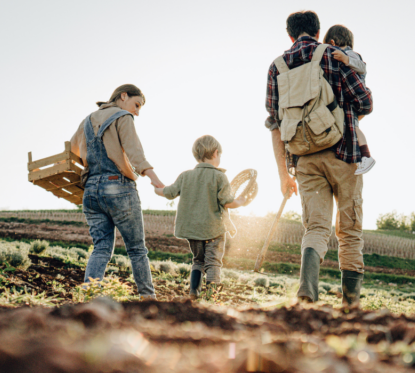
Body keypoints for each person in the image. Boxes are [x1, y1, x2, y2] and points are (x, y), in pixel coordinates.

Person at [264, 10, 373, 306]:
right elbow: (365, 101)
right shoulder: (332, 54)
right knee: (349, 228)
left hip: (304, 160)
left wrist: (284, 175)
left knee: (316, 228)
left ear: (290, 35)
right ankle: (350, 303)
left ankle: (307, 291)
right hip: (344, 152)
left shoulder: (277, 67)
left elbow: (274, 124)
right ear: (318, 31)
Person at [69, 84, 164, 301]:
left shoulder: (87, 120)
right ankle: (148, 299)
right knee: (137, 250)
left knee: (101, 248)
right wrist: (155, 179)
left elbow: (72, 150)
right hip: (118, 188)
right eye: (136, 104)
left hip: (91, 191)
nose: (137, 112)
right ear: (123, 96)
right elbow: (135, 153)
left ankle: (89, 297)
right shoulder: (123, 117)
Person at [155, 135, 247, 298]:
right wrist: (239, 202)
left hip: (193, 230)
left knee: (198, 261)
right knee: (213, 262)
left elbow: (169, 192)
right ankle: (212, 296)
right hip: (214, 230)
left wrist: (157, 189)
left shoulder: (185, 176)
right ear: (215, 153)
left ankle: (193, 293)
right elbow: (227, 202)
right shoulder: (220, 176)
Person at [323, 24, 375, 175]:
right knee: (352, 127)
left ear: (332, 42)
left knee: (354, 128)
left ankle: (366, 156)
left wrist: (346, 59)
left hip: (354, 100)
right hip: (350, 100)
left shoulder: (351, 54)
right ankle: (365, 155)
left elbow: (362, 67)